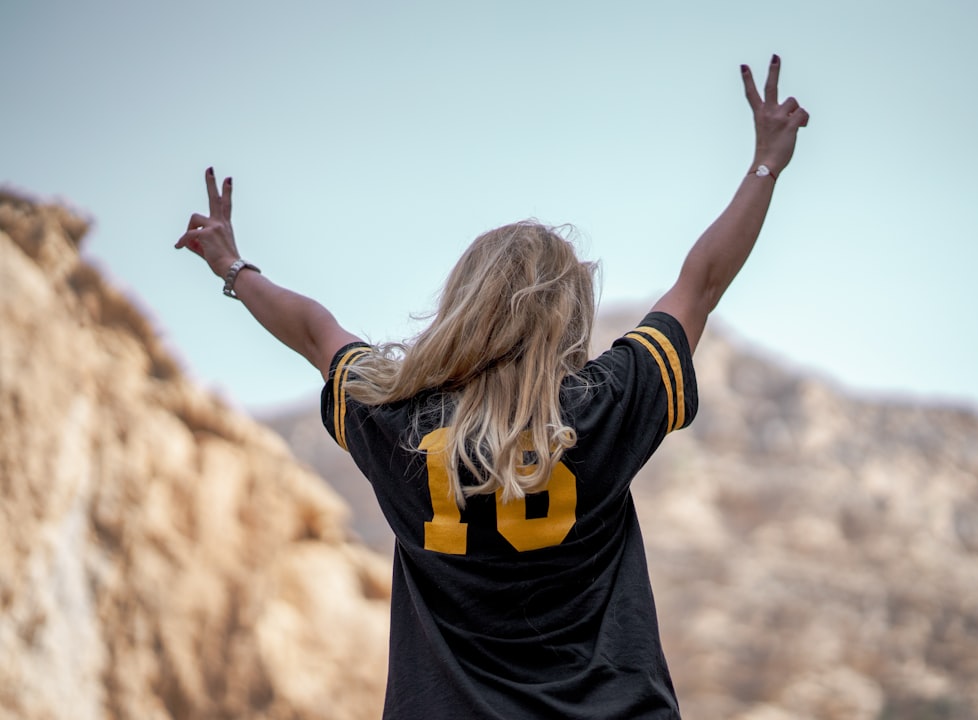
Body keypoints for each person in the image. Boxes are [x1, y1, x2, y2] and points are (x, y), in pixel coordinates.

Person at [176, 55, 808, 720]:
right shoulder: (603, 409)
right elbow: (701, 283)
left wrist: (231, 263)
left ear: (464, 304)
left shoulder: (395, 420)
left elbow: (314, 331)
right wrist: (764, 165)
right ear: (567, 316)